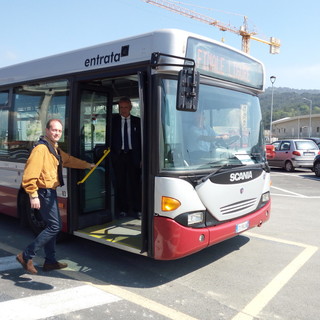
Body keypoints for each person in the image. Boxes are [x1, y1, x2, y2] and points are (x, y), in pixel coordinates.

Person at [16, 119, 95, 274]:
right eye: (54, 130)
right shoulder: (41, 149)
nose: (57, 133)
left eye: (59, 131)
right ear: (47, 131)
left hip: (50, 192)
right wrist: (33, 195)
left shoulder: (54, 148)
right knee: (55, 226)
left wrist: (87, 165)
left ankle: (50, 261)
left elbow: (69, 160)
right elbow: (29, 174)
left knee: (51, 225)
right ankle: (26, 255)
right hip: (43, 192)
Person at [111, 97, 141, 219]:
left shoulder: (137, 121)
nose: (123, 110)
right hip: (119, 156)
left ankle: (137, 209)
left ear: (130, 108)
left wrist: (142, 158)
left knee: (135, 184)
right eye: (121, 107)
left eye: (125, 107)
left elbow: (142, 141)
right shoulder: (113, 121)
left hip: (133, 156)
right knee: (120, 183)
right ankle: (122, 209)